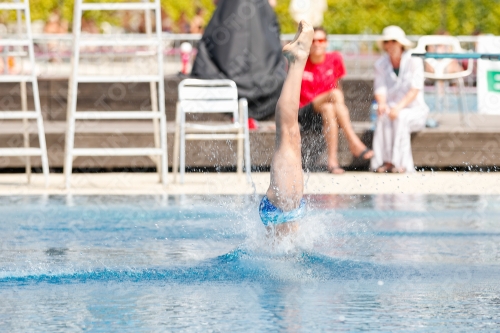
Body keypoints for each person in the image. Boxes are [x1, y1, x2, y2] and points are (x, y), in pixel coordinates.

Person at [259, 21, 313, 236]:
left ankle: (298, 61)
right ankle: (298, 60)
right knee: (292, 136)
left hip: (282, 208)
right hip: (284, 209)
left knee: (289, 134)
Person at [299, 27, 373, 174]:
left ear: (326, 43)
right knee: (335, 94)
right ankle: (354, 142)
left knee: (329, 109)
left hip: (326, 111)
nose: (317, 44)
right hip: (305, 111)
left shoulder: (334, 59)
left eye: (321, 40)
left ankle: (332, 161)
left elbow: (339, 87)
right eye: (313, 41)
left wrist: (339, 111)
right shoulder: (301, 62)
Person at [370, 25, 429, 173]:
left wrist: (398, 107)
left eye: (393, 41)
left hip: (414, 110)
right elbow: (380, 87)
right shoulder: (380, 64)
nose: (390, 45)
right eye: (387, 42)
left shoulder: (414, 60)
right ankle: (384, 161)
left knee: (401, 117)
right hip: (391, 108)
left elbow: (415, 89)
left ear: (401, 43)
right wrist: (382, 104)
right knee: (382, 115)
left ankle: (400, 163)